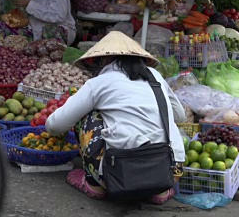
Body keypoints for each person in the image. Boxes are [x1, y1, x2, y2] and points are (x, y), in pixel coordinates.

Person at [46, 32, 186, 203]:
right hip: (169, 170)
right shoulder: (155, 77)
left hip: (120, 174)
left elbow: (54, 126)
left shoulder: (100, 82)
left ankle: (94, 183)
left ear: (104, 60)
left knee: (88, 114)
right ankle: (159, 191)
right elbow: (180, 115)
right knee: (166, 120)